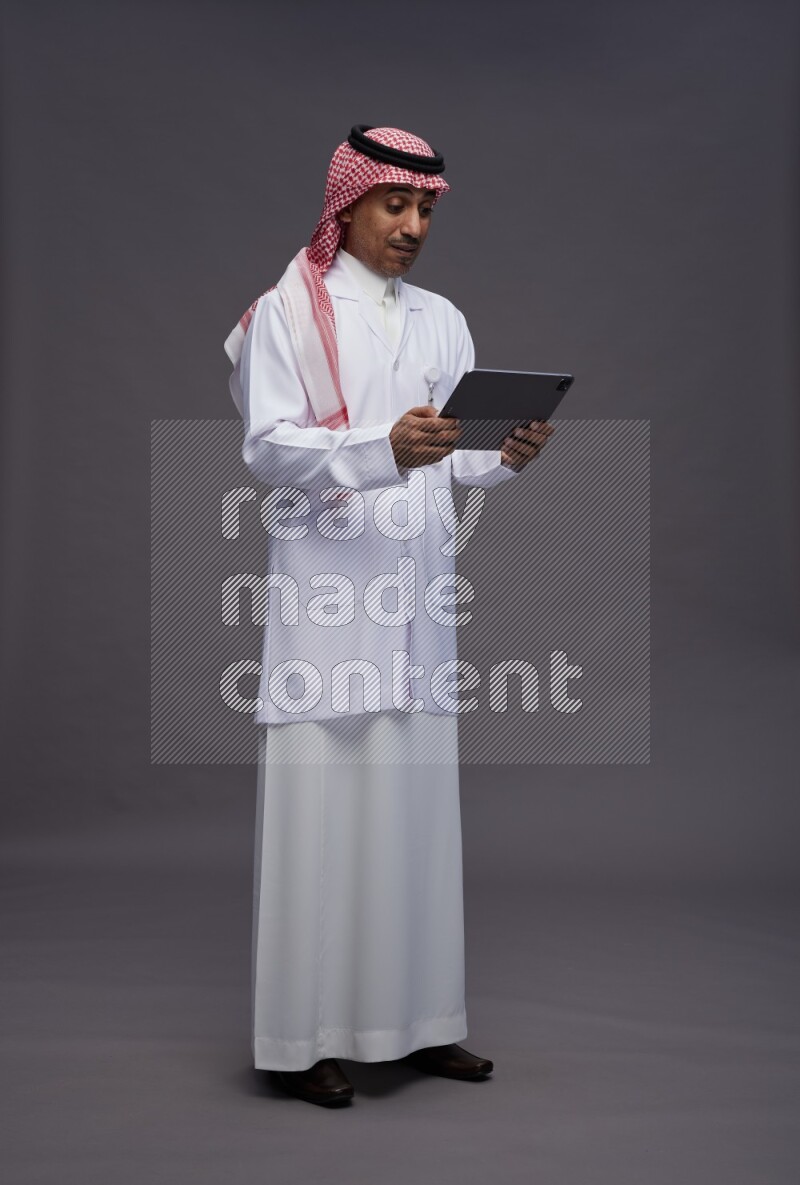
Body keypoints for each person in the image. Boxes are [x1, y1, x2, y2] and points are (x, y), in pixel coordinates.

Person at [224, 125, 553, 1107]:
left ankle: (417, 1025)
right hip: (329, 609)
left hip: (413, 608)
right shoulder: (284, 314)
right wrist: (384, 450)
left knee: (411, 823)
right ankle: (300, 1040)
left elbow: (449, 454)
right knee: (322, 822)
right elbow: (269, 450)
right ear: (346, 206)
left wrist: (502, 459)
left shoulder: (441, 321)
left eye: (424, 209)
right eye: (393, 205)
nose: (411, 226)